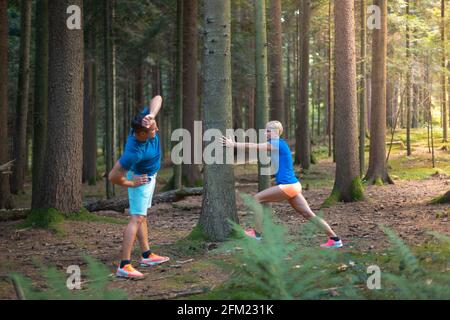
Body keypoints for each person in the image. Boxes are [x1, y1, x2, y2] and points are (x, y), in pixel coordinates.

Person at [222, 120, 343, 248]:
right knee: (308, 214)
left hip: (289, 186)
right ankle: (335, 239)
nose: (266, 133)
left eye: (268, 131)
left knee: (256, 199)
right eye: (266, 130)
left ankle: (256, 234)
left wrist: (233, 144)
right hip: (294, 186)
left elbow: (255, 146)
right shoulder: (278, 144)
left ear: (275, 132)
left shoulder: (277, 143)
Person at [109, 96, 170, 279]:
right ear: (142, 134)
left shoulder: (144, 123)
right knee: (136, 218)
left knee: (142, 216)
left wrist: (151, 115)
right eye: (153, 129)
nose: (157, 129)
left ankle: (146, 255)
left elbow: (158, 97)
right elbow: (113, 176)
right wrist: (131, 183)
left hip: (150, 178)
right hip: (140, 181)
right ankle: (124, 265)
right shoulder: (133, 152)